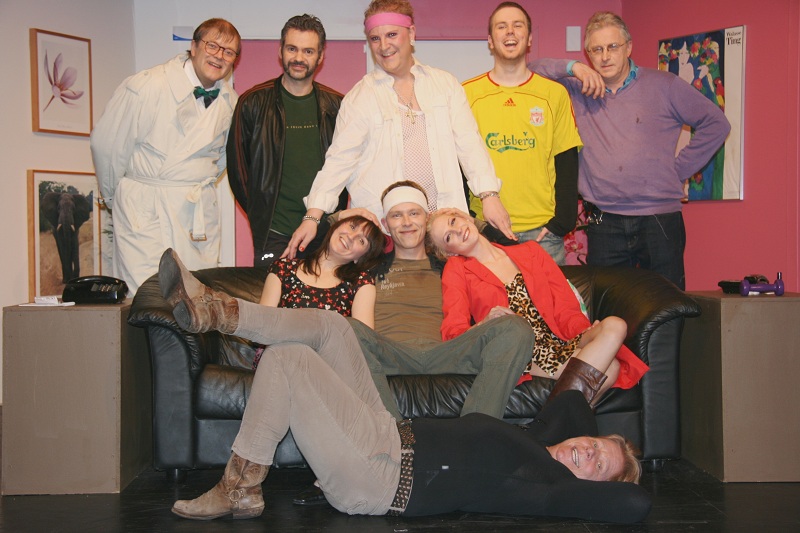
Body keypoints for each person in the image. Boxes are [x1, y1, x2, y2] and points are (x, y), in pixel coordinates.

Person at [158, 249, 651, 523]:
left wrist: (599, 477)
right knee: (330, 328)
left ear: (591, 487)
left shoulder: (549, 490)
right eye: (595, 445)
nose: (587, 452)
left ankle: (239, 486)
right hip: (385, 431)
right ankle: (215, 311)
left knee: (289, 363)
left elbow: (635, 504)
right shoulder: (540, 439)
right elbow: (576, 400)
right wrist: (600, 442)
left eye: (597, 465)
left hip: (380, 476)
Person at [286, 0, 516, 258]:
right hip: (386, 236)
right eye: (375, 38)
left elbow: (469, 145)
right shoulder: (360, 97)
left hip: (445, 232)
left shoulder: (445, 85)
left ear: (412, 33)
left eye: (392, 35)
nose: (384, 46)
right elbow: (339, 162)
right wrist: (312, 217)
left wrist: (489, 196)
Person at [529, 11, 731, 289]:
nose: (605, 56)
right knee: (610, 307)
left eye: (613, 46)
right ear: (588, 54)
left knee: (666, 303)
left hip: (659, 220)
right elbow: (532, 70)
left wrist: (677, 171)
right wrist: (574, 67)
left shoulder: (664, 85)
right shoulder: (578, 90)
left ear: (629, 48)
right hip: (604, 223)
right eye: (596, 49)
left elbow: (716, 123)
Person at [426, 207, 650, 403]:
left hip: (560, 338)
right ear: (449, 252)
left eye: (453, 221)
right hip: (523, 350)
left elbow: (565, 306)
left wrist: (587, 331)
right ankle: (556, 422)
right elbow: (453, 333)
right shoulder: (457, 269)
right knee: (611, 368)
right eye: (448, 237)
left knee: (616, 325)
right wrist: (485, 324)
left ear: (464, 217)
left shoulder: (530, 251)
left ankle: (556, 419)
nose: (457, 231)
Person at [91, 18, 241, 293]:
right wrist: (116, 198)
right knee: (148, 296)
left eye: (228, 51)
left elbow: (222, 159)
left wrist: (190, 180)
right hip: (145, 210)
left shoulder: (230, 102)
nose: (219, 56)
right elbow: (107, 146)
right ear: (193, 47)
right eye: (212, 46)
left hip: (195, 215)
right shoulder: (147, 86)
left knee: (197, 296)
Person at [462, 2, 582, 264]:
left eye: (518, 26)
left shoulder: (554, 94)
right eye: (501, 26)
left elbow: (567, 160)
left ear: (529, 39)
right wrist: (469, 220)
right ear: (490, 41)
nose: (510, 32)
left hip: (543, 235)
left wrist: (562, 222)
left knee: (551, 295)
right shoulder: (466, 94)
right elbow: (457, 162)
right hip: (485, 232)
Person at [227, 14, 348, 267]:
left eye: (308, 51)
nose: (299, 58)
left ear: (320, 56)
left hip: (326, 234)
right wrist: (264, 218)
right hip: (274, 235)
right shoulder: (252, 103)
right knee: (273, 295)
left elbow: (347, 169)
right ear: (280, 50)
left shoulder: (338, 106)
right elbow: (239, 172)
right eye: (292, 48)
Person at [251, 215, 384, 368]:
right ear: (336, 227)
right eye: (352, 227)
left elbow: (363, 342)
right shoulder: (283, 268)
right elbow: (261, 327)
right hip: (280, 359)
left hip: (328, 365)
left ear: (361, 257)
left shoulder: (361, 283)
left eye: (361, 241)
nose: (351, 236)